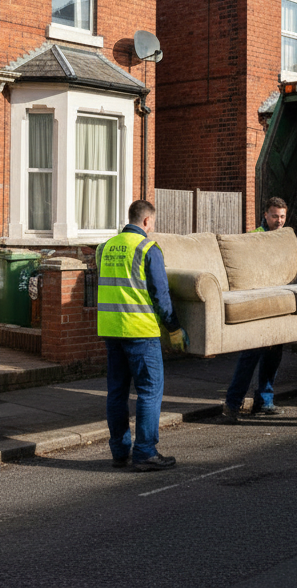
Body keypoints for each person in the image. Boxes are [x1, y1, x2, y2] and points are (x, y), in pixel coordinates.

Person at [97, 200, 185, 471]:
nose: (152, 228)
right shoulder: (148, 248)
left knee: (117, 392)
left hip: (111, 330)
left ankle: (119, 451)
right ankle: (145, 451)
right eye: (153, 223)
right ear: (146, 221)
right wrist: (173, 328)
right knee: (149, 390)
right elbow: (161, 294)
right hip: (140, 332)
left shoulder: (104, 248)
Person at [217, 197, 290, 424]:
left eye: (283, 217)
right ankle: (232, 404)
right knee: (250, 356)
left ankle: (264, 401)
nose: (279, 221)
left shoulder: (284, 237)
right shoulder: (252, 238)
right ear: (265, 215)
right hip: (257, 304)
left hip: (277, 302)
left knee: (273, 355)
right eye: (275, 216)